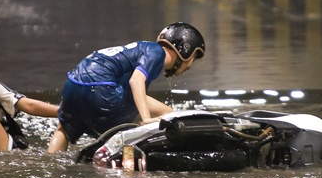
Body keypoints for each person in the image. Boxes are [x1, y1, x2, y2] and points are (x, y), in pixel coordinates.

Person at [48, 22, 205, 153]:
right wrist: (146, 119)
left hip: (72, 85)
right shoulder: (157, 52)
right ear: (186, 51)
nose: (190, 66)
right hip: (102, 91)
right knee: (166, 116)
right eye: (194, 59)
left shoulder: (140, 49)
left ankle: (51, 165)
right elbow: (136, 82)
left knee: (63, 130)